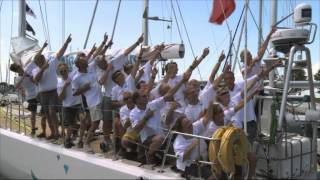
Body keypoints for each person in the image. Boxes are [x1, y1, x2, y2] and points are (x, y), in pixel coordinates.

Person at [32, 35, 72, 140]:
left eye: (41, 60)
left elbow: (60, 54)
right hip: (43, 94)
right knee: (47, 114)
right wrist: (42, 69)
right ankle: (54, 133)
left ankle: (58, 133)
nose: (40, 62)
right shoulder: (35, 70)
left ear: (44, 59)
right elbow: (36, 80)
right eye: (38, 62)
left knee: (52, 112)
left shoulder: (52, 63)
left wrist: (66, 43)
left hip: (53, 92)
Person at [10, 64, 41, 136]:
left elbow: (36, 82)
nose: (20, 68)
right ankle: (33, 129)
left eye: (20, 67)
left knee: (42, 113)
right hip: (30, 96)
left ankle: (44, 131)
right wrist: (23, 77)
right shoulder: (18, 78)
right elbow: (16, 86)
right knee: (33, 113)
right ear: (16, 70)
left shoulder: (29, 72)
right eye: (18, 68)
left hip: (38, 94)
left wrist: (29, 76)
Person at [57, 63, 83, 148]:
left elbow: (80, 66)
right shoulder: (59, 83)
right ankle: (67, 140)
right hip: (67, 106)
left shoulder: (73, 74)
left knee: (83, 120)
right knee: (70, 125)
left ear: (68, 69)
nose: (63, 72)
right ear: (59, 72)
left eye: (65, 70)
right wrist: (64, 87)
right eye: (61, 71)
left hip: (78, 103)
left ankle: (81, 140)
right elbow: (61, 98)